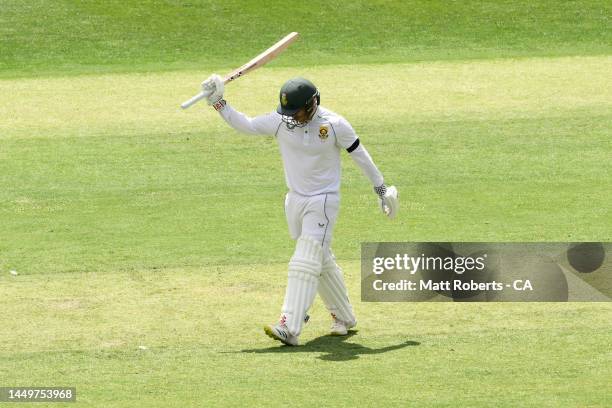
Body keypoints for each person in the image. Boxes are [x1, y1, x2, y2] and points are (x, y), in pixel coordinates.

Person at [201, 75, 398, 346]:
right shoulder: (281, 122)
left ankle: (289, 325)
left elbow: (360, 156)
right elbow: (245, 124)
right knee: (319, 260)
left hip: (323, 202)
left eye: (298, 111)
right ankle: (344, 316)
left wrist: (381, 189)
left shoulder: (334, 125)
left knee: (304, 261)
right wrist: (218, 102)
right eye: (288, 113)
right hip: (295, 201)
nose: (292, 118)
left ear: (313, 103)